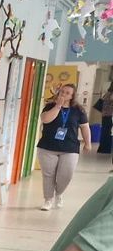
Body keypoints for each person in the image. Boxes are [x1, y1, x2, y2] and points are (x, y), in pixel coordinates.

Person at [36, 83, 91, 211]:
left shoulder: (79, 110)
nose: (64, 94)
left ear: (72, 96)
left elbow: (85, 127)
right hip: (48, 147)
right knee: (48, 175)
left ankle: (59, 193)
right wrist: (58, 106)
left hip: (70, 147)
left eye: (67, 93)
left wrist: (88, 143)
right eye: (62, 91)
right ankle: (48, 199)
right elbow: (46, 120)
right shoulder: (50, 106)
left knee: (67, 174)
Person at [95, 84, 113, 154]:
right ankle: (106, 149)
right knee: (108, 133)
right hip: (109, 116)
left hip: (105, 115)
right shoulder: (111, 94)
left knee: (105, 132)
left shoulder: (107, 93)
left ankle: (102, 148)